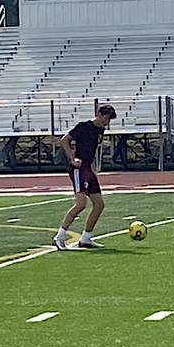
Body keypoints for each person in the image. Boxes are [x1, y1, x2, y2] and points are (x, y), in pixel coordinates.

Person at [53, 105, 117, 250]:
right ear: (98, 114)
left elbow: (92, 150)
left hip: (88, 167)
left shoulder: (101, 130)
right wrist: (72, 158)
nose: (107, 123)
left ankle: (86, 238)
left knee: (99, 204)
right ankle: (60, 236)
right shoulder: (84, 127)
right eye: (106, 119)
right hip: (79, 167)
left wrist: (93, 170)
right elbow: (64, 140)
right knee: (81, 204)